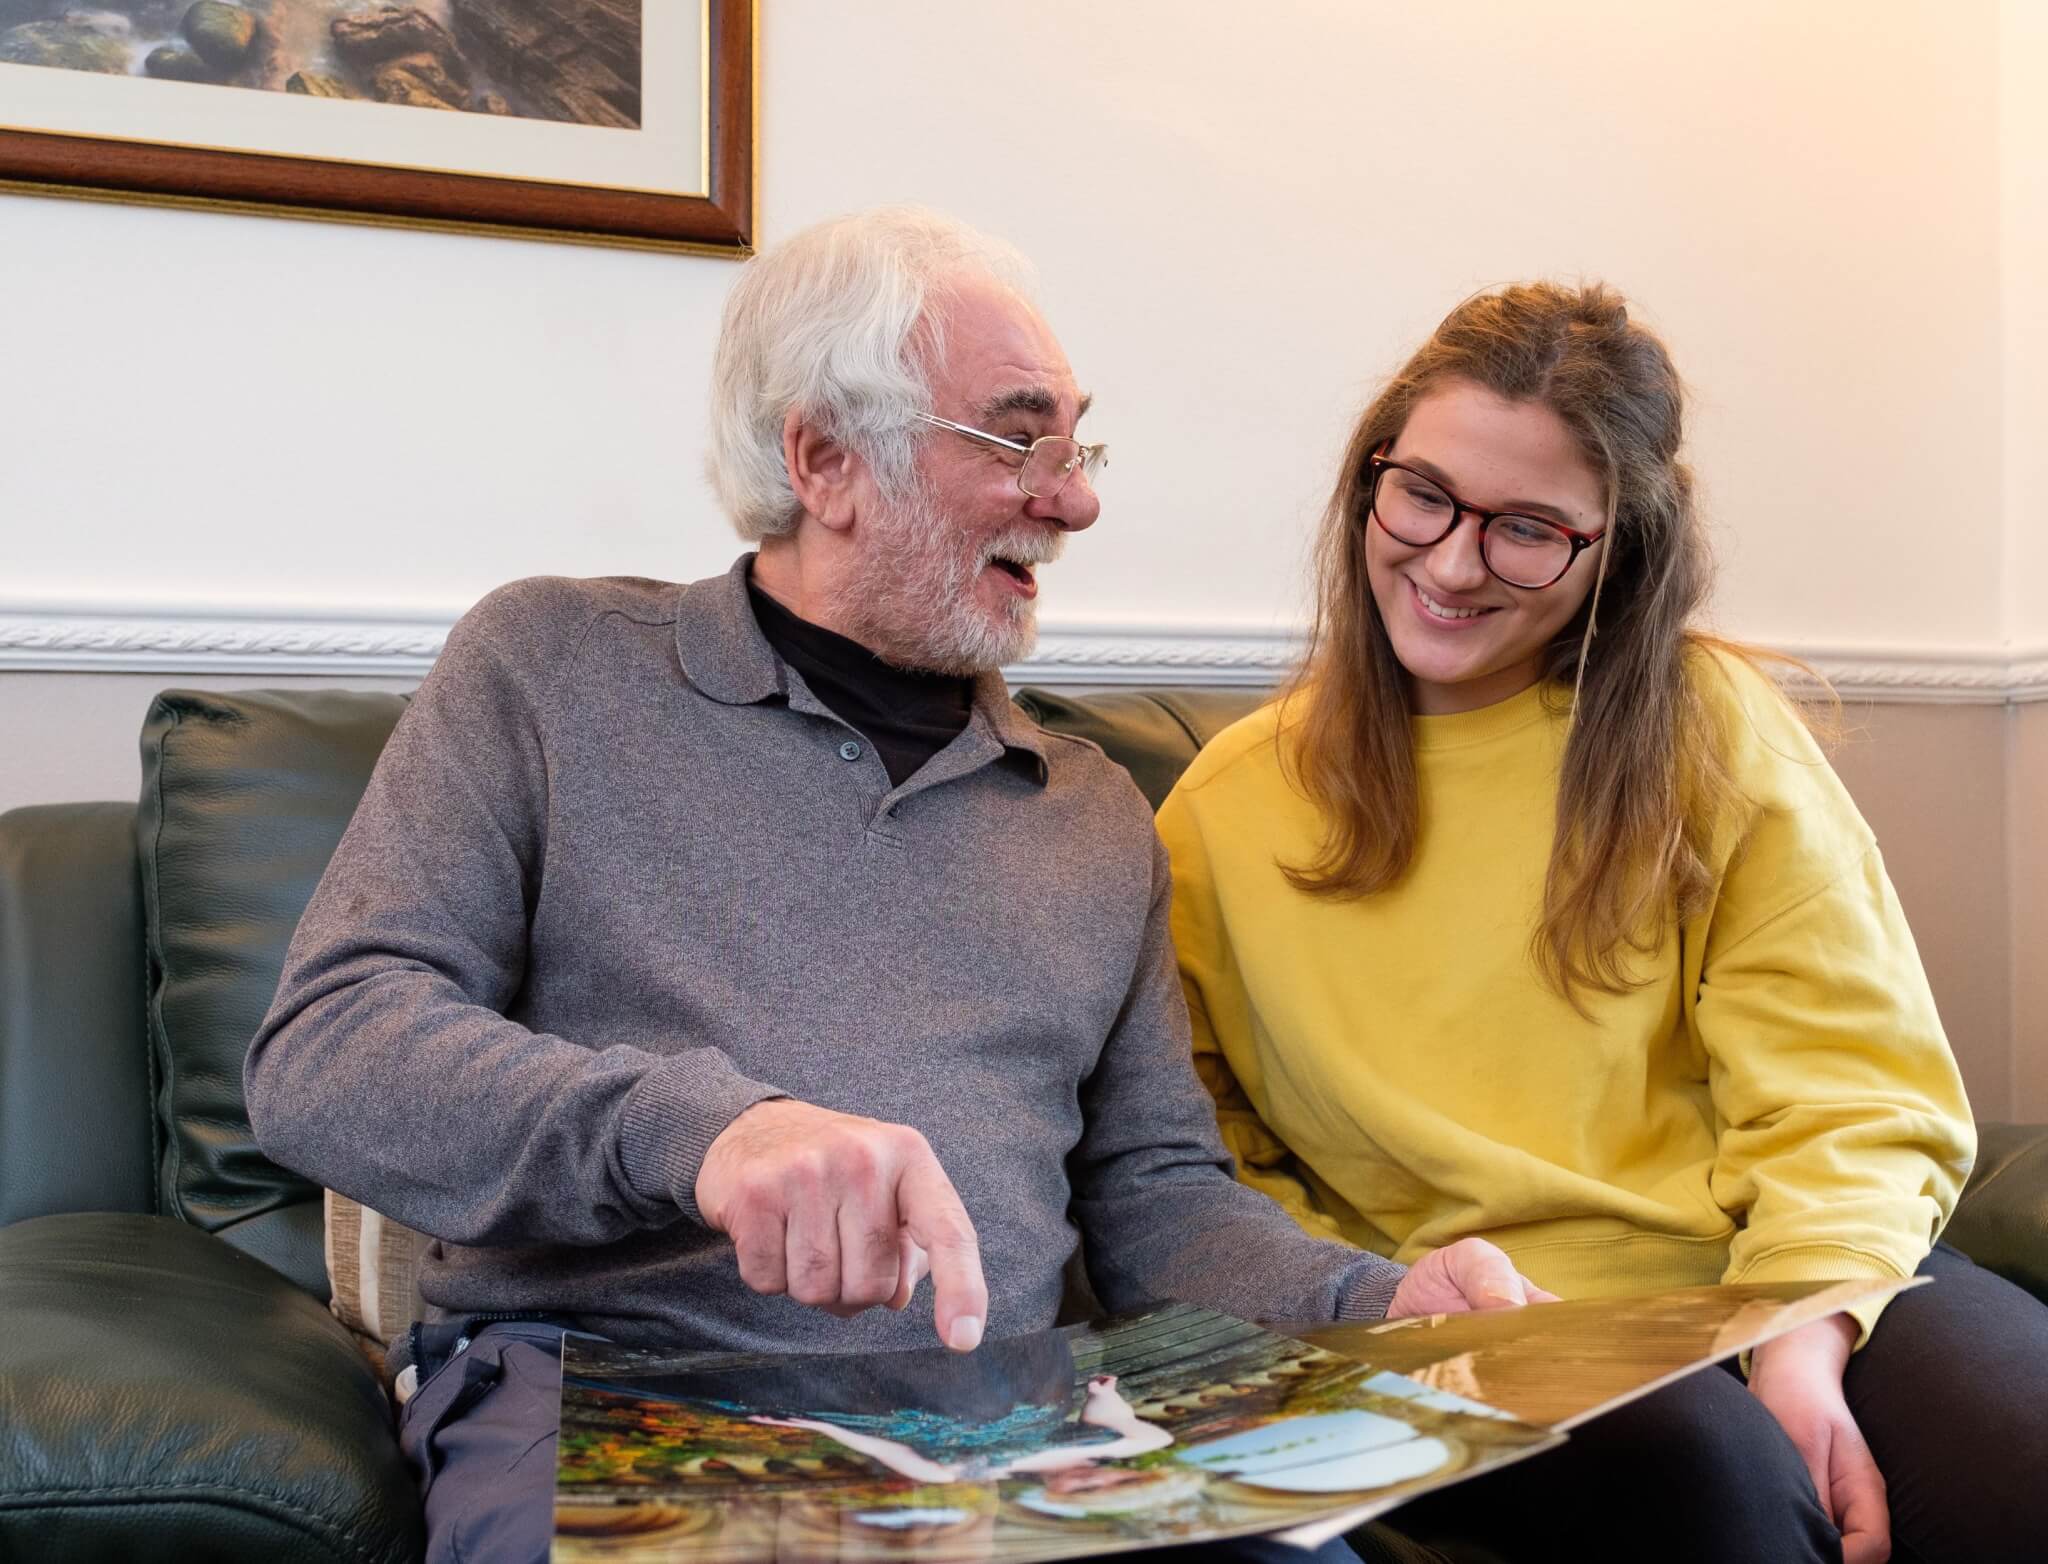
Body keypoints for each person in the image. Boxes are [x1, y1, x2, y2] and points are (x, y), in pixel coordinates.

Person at [243, 208, 1533, 1564]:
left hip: (1013, 1436)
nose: (1075, 498)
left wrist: (1377, 1300)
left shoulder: (1092, 812)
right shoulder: (551, 669)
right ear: (824, 460)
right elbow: (328, 1055)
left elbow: (1157, 1197)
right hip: (624, 1403)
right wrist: (709, 1136)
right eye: (1015, 438)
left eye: (1076, 443)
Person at [1155, 280, 2048, 1563]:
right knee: (1718, 1480)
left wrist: (1799, 1348)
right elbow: (1196, 1166)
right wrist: (1379, 1304)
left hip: (1778, 1276)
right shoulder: (1224, 811)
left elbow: (1848, 1094)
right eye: (1423, 495)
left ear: (1614, 548)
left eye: (1526, 529)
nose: (1453, 562)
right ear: (1371, 480)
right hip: (1467, 1333)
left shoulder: (1708, 726)